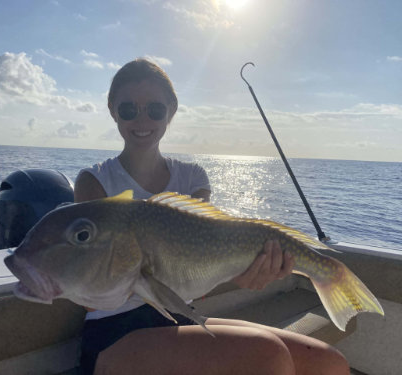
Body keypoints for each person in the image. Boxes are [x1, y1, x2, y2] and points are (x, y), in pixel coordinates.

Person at [74, 58, 349, 375]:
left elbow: (202, 263)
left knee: (329, 363)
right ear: (113, 111)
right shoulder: (93, 181)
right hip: (114, 332)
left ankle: (329, 276)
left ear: (171, 112)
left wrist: (242, 273)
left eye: (155, 109)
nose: (142, 118)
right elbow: (91, 290)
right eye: (128, 109)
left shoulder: (193, 178)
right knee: (268, 355)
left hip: (177, 315)